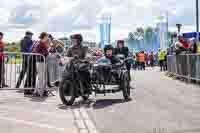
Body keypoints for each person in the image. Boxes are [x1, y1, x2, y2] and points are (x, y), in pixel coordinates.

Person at [34, 32, 50, 96]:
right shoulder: (40, 43)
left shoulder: (42, 43)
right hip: (41, 61)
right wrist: (46, 52)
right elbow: (38, 52)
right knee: (41, 77)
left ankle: (41, 91)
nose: (47, 38)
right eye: (47, 36)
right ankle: (38, 91)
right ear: (44, 36)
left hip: (42, 61)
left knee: (42, 77)